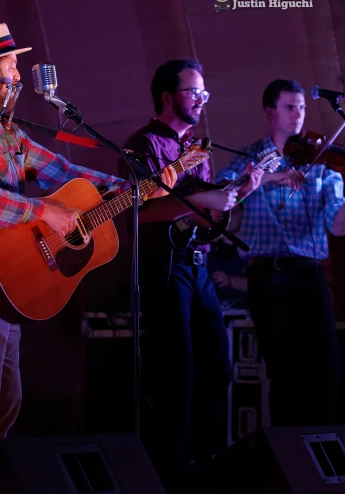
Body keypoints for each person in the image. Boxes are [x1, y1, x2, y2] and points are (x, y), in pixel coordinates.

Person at [0, 23, 163, 471]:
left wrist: (136, 187)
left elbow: (62, 171)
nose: (17, 70)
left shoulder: (3, 130)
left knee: (5, 402)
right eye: (10, 62)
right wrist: (45, 213)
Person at [120, 58, 261, 488]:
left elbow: (204, 215)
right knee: (175, 370)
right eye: (191, 91)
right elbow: (138, 214)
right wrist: (206, 203)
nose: (200, 99)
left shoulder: (198, 148)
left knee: (218, 366)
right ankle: (170, 471)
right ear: (167, 97)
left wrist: (236, 195)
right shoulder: (143, 145)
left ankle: (203, 460)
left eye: (204, 92)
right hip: (164, 267)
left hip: (197, 266)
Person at [214, 79, 345, 427]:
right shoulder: (250, 159)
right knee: (285, 376)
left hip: (309, 274)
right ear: (270, 112)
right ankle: (290, 465)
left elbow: (337, 226)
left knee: (328, 376)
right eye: (290, 107)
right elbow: (221, 200)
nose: (298, 115)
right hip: (266, 275)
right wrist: (269, 178)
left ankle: (318, 456)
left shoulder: (321, 163)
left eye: (302, 107)